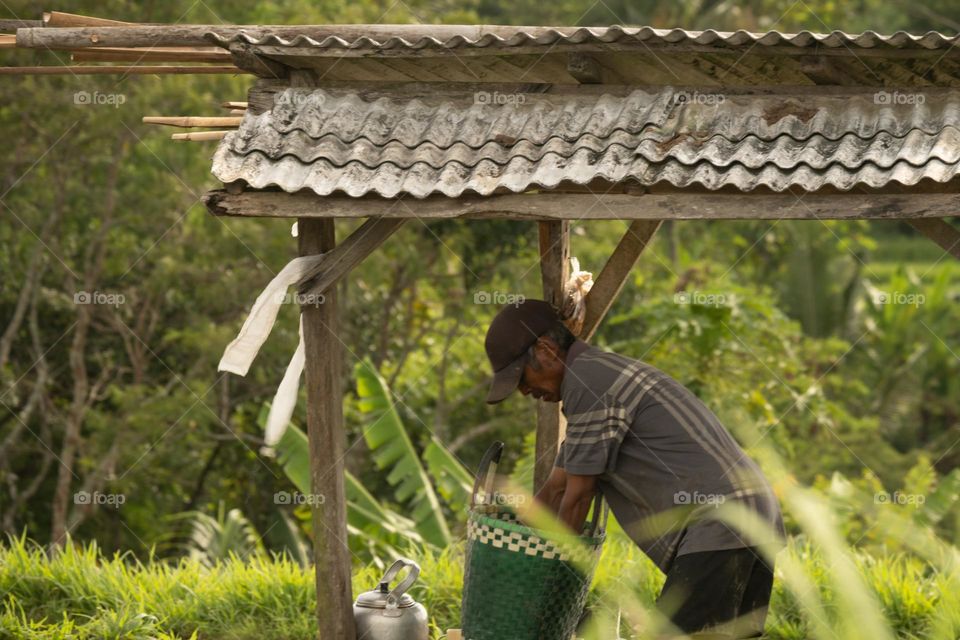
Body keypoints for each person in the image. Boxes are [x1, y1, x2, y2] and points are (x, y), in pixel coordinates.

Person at [483, 299, 785, 638]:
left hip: (720, 518)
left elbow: (577, 498)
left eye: (520, 377)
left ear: (546, 350)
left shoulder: (588, 384)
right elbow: (557, 487)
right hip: (752, 512)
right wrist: (514, 547)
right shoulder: (596, 377)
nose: (524, 391)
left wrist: (548, 582)